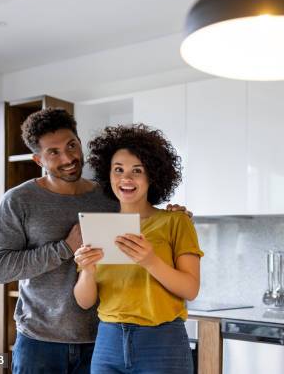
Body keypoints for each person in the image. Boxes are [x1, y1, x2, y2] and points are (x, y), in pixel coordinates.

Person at [0, 108, 191, 374]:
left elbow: (146, 218)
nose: (68, 157)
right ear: (38, 159)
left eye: (72, 145)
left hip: (102, 340)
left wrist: (176, 213)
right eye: (54, 152)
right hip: (41, 341)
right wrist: (65, 248)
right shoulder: (18, 201)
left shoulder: (108, 195)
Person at [73, 124, 203, 374]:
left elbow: (190, 289)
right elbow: (85, 301)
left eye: (137, 171)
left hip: (162, 342)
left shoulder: (175, 221)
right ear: (108, 175)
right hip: (108, 341)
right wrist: (87, 271)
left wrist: (150, 260)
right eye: (118, 170)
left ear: (151, 176)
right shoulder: (99, 227)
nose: (126, 179)